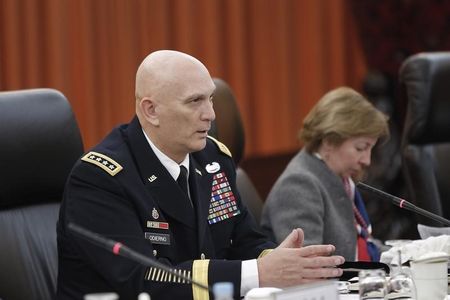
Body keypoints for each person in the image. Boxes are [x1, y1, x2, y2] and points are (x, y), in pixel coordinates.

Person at [56, 50, 344, 300]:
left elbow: (243, 240)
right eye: (195, 101)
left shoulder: (213, 160)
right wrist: (258, 273)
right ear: (151, 110)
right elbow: (144, 278)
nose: (211, 114)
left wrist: (284, 261)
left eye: (210, 99)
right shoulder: (99, 179)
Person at [260, 87, 389, 262]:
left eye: (370, 149)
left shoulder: (339, 177)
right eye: (360, 148)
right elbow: (309, 266)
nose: (367, 160)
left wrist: (406, 255)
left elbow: (365, 243)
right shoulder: (299, 185)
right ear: (329, 142)